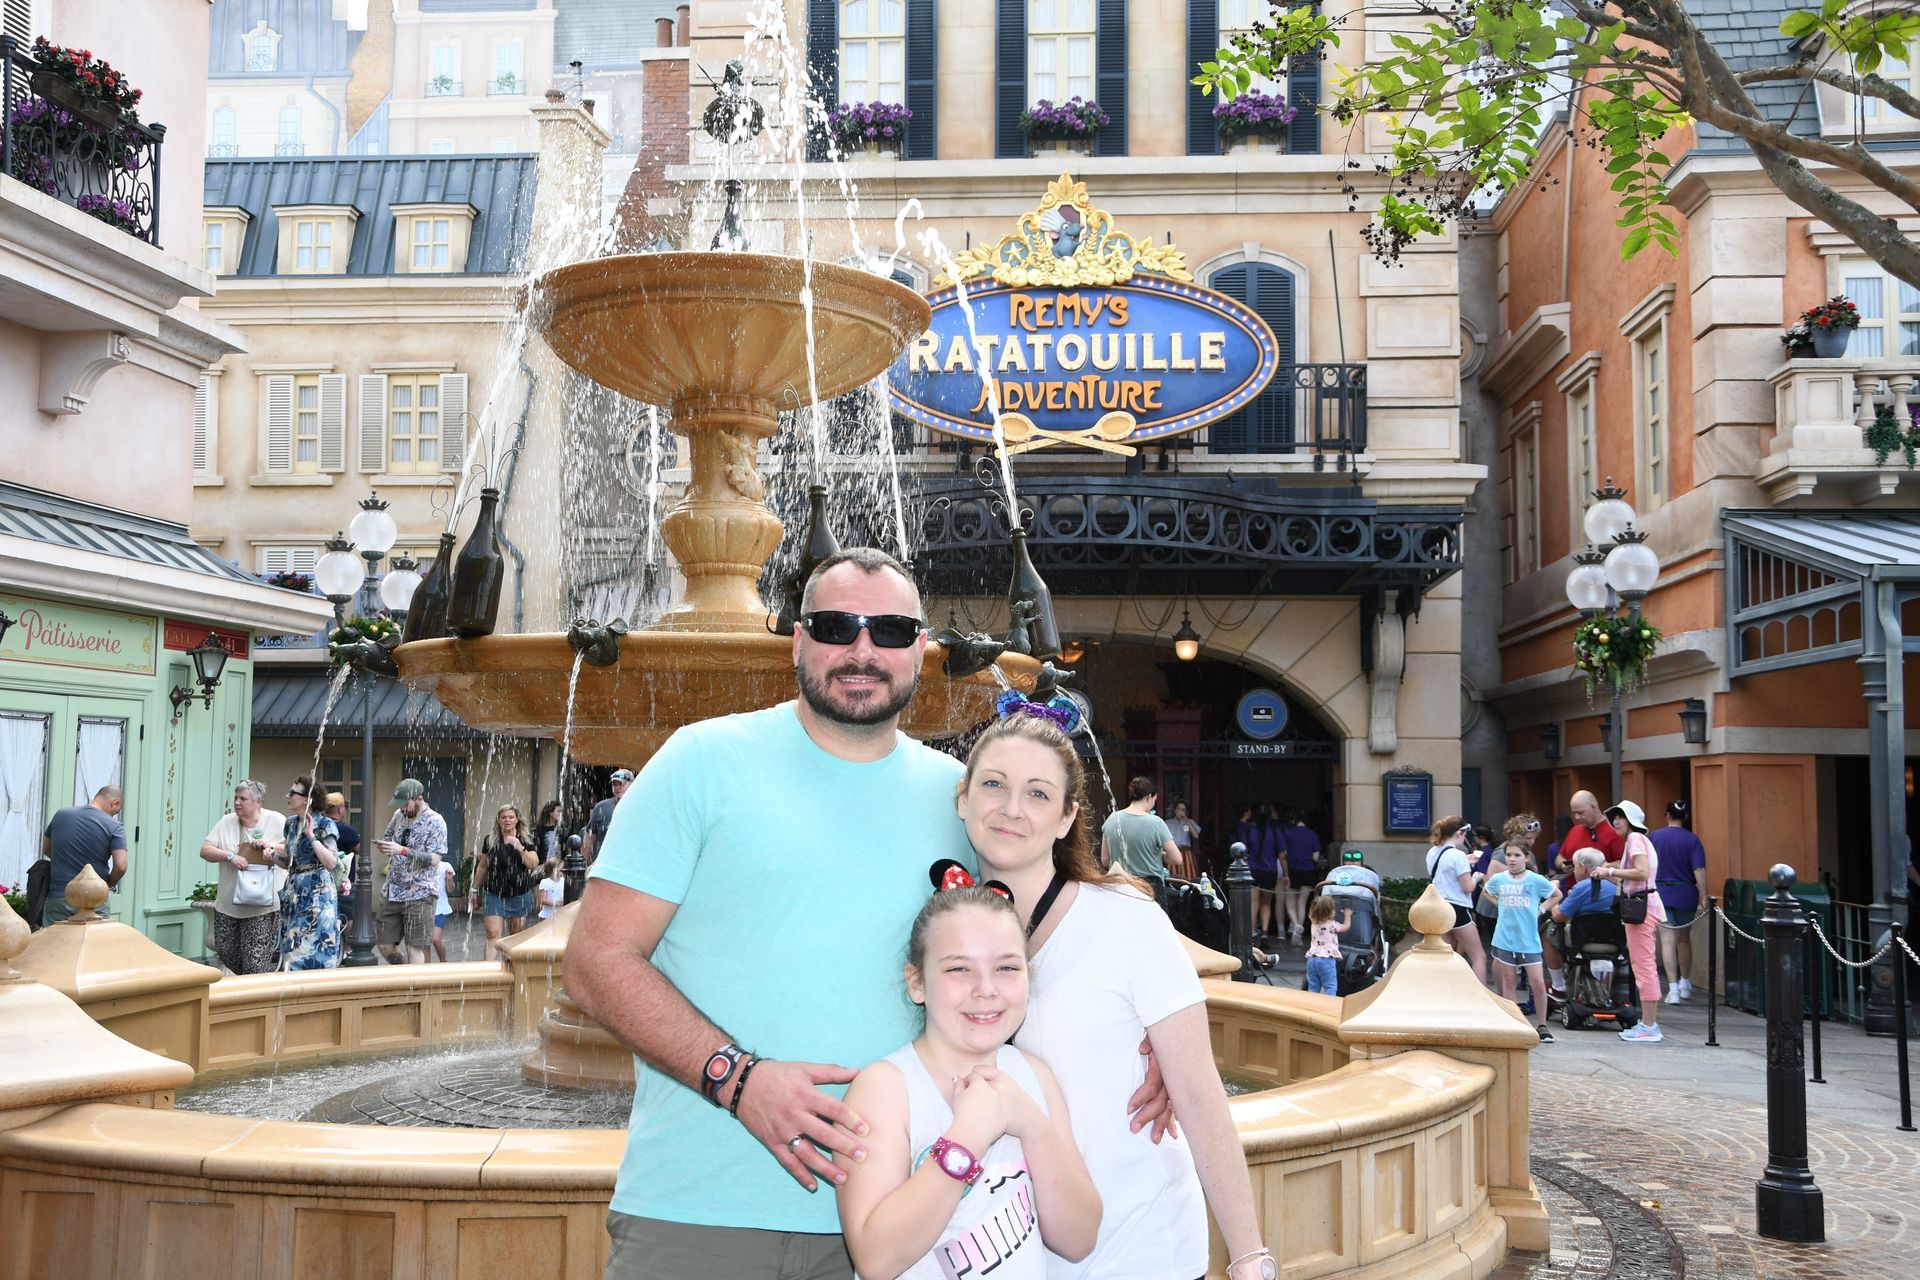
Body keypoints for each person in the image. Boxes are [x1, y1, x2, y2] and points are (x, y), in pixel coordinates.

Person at [567, 548, 1174, 1280]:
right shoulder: (699, 762)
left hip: (911, 1228)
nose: (863, 649)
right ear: (798, 640)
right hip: (702, 1213)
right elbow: (597, 962)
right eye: (836, 626)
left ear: (919, 650)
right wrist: (737, 1078)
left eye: (889, 630)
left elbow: (1039, 945)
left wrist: (1145, 1039)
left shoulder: (964, 799)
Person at [959, 711, 1274, 1280]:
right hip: (1007, 1255)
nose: (1010, 807)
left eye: (1037, 793)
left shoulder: (1125, 921)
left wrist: (1250, 1257)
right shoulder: (944, 929)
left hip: (1137, 1246)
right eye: (993, 784)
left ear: (1067, 817)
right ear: (963, 800)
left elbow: (1200, 1093)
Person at [836, 885, 1100, 1280]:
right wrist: (965, 1140)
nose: (986, 989)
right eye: (959, 969)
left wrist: (1033, 1125)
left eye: (1007, 968)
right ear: (917, 983)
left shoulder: (1034, 1076)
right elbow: (877, 1259)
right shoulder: (885, 1090)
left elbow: (1078, 1239)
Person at [197, 781, 287, 975]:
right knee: (226, 951)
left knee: (255, 964)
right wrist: (230, 856)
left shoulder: (276, 820)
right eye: (236, 798)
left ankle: (255, 995)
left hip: (263, 906)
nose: (237, 802)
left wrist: (270, 846)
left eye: (243, 799)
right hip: (229, 905)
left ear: (258, 802)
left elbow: (291, 848)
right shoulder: (227, 821)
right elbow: (205, 850)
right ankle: (251, 986)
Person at [1598, 801, 1665, 1043]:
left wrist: (1610, 872)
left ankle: (1649, 1025)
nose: (1616, 821)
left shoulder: (1635, 840)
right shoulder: (1638, 840)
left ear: (1631, 821)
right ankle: (1648, 1023)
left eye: (1621, 817)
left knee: (1643, 964)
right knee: (1643, 963)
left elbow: (1642, 872)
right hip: (1643, 904)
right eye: (1614, 817)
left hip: (1640, 905)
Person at [1484, 842, 1561, 1043]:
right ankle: (1514, 1022)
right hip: (1504, 938)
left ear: (1526, 857)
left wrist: (1542, 909)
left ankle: (1542, 1025)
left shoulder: (1535, 880)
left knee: (1537, 982)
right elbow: (1487, 891)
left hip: (1528, 939)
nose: (1511, 859)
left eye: (1516, 855)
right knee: (1509, 981)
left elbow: (1556, 895)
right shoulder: (1499, 879)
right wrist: (1498, 903)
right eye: (1509, 854)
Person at [374, 779, 446, 965]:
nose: (403, 809)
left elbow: (434, 859)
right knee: (384, 944)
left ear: (419, 799)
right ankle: (405, 973)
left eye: (406, 804)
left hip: (420, 892)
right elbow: (388, 838)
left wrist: (402, 851)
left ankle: (414, 990)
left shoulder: (435, 821)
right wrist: (384, 846)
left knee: (415, 946)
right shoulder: (399, 815)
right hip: (393, 890)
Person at [38, 785, 126, 926]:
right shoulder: (114, 826)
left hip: (58, 896)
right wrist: (109, 883)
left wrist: (65, 861)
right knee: (91, 946)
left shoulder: (61, 814)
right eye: (117, 811)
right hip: (94, 901)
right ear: (115, 802)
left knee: (55, 945)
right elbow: (121, 866)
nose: (114, 814)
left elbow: (47, 849)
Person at [277, 775, 340, 970]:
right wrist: (271, 856)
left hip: (318, 892)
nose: (288, 796)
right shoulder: (290, 823)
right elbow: (289, 861)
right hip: (295, 890)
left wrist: (311, 836)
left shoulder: (325, 824)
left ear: (307, 799)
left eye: (293, 793)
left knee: (315, 950)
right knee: (292, 945)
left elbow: (331, 862)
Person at [1650, 800, 1707, 1003]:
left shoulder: (1655, 836)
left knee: (1667, 940)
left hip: (1662, 891)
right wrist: (1704, 895)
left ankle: (1672, 989)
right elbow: (1699, 869)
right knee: (1684, 939)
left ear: (1667, 815)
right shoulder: (1692, 840)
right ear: (1685, 817)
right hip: (1686, 892)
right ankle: (1685, 983)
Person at [470, 804, 539, 960]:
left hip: (519, 893)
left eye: (510, 817)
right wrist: (474, 890)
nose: (507, 820)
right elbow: (482, 866)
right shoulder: (491, 839)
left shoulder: (526, 839)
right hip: (494, 893)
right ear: (499, 820)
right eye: (504, 817)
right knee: (492, 933)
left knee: (515, 935)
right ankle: (488, 974)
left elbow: (533, 864)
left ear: (517, 820)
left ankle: (510, 969)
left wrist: (520, 848)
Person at [1098, 777, 1181, 907]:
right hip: (1150, 889)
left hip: (1120, 888)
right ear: (1149, 796)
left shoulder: (1112, 819)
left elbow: (1105, 860)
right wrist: (1159, 854)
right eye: (1154, 800)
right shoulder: (1156, 823)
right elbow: (1176, 859)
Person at [1426, 815, 1488, 983]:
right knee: (1479, 957)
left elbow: (1445, 870)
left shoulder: (1433, 852)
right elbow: (1467, 887)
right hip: (1458, 908)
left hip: (1439, 907)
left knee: (1445, 955)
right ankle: (1480, 997)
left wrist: (1466, 861)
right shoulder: (1458, 855)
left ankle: (1442, 993)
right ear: (1459, 832)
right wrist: (1476, 876)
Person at [1239, 804, 1280, 945]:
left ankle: (1252, 932)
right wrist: (1286, 874)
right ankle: (1264, 932)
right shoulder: (1275, 831)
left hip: (1253, 869)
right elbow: (1282, 854)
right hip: (1270, 870)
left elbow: (1242, 850)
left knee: (1253, 902)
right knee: (1266, 903)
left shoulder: (1249, 830)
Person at [1279, 810, 1322, 946]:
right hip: (1308, 870)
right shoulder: (1313, 834)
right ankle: (1300, 929)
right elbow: (1315, 857)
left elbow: (1283, 854)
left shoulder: (1288, 833)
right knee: (1302, 903)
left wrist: (1286, 872)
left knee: (1290, 900)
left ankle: (1296, 924)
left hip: (1293, 870)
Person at [323, 791, 360, 935]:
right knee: (349, 914)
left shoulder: (317, 826)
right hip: (342, 883)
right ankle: (347, 948)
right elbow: (360, 850)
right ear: (340, 809)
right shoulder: (346, 830)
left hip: (322, 880)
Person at [580, 769, 633, 866]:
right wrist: (583, 866)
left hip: (629, 865)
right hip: (603, 866)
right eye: (614, 784)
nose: (617, 788)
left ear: (631, 784)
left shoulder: (639, 807)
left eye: (621, 784)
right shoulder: (601, 807)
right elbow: (589, 838)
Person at [1303, 895, 1352, 996]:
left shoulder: (1313, 923)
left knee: (1313, 987)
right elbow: (1346, 927)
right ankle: (1329, 1007)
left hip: (1312, 959)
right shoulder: (1333, 925)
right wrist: (1348, 915)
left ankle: (1311, 1006)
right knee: (1330, 987)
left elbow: (1313, 914)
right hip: (1326, 960)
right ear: (1331, 912)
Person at [1164, 799, 1201, 881]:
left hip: (1186, 853)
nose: (1181, 811)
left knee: (1189, 876)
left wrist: (1186, 820)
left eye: (1183, 809)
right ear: (1175, 810)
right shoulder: (1168, 823)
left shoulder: (1190, 822)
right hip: (1173, 851)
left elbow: (1196, 835)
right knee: (1173, 877)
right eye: (1179, 809)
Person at [432, 855, 455, 962]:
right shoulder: (422, 864)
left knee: (436, 939)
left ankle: (443, 961)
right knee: (424, 943)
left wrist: (449, 879)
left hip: (439, 908)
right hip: (423, 906)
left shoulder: (445, 866)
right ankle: (425, 967)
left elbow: (450, 890)